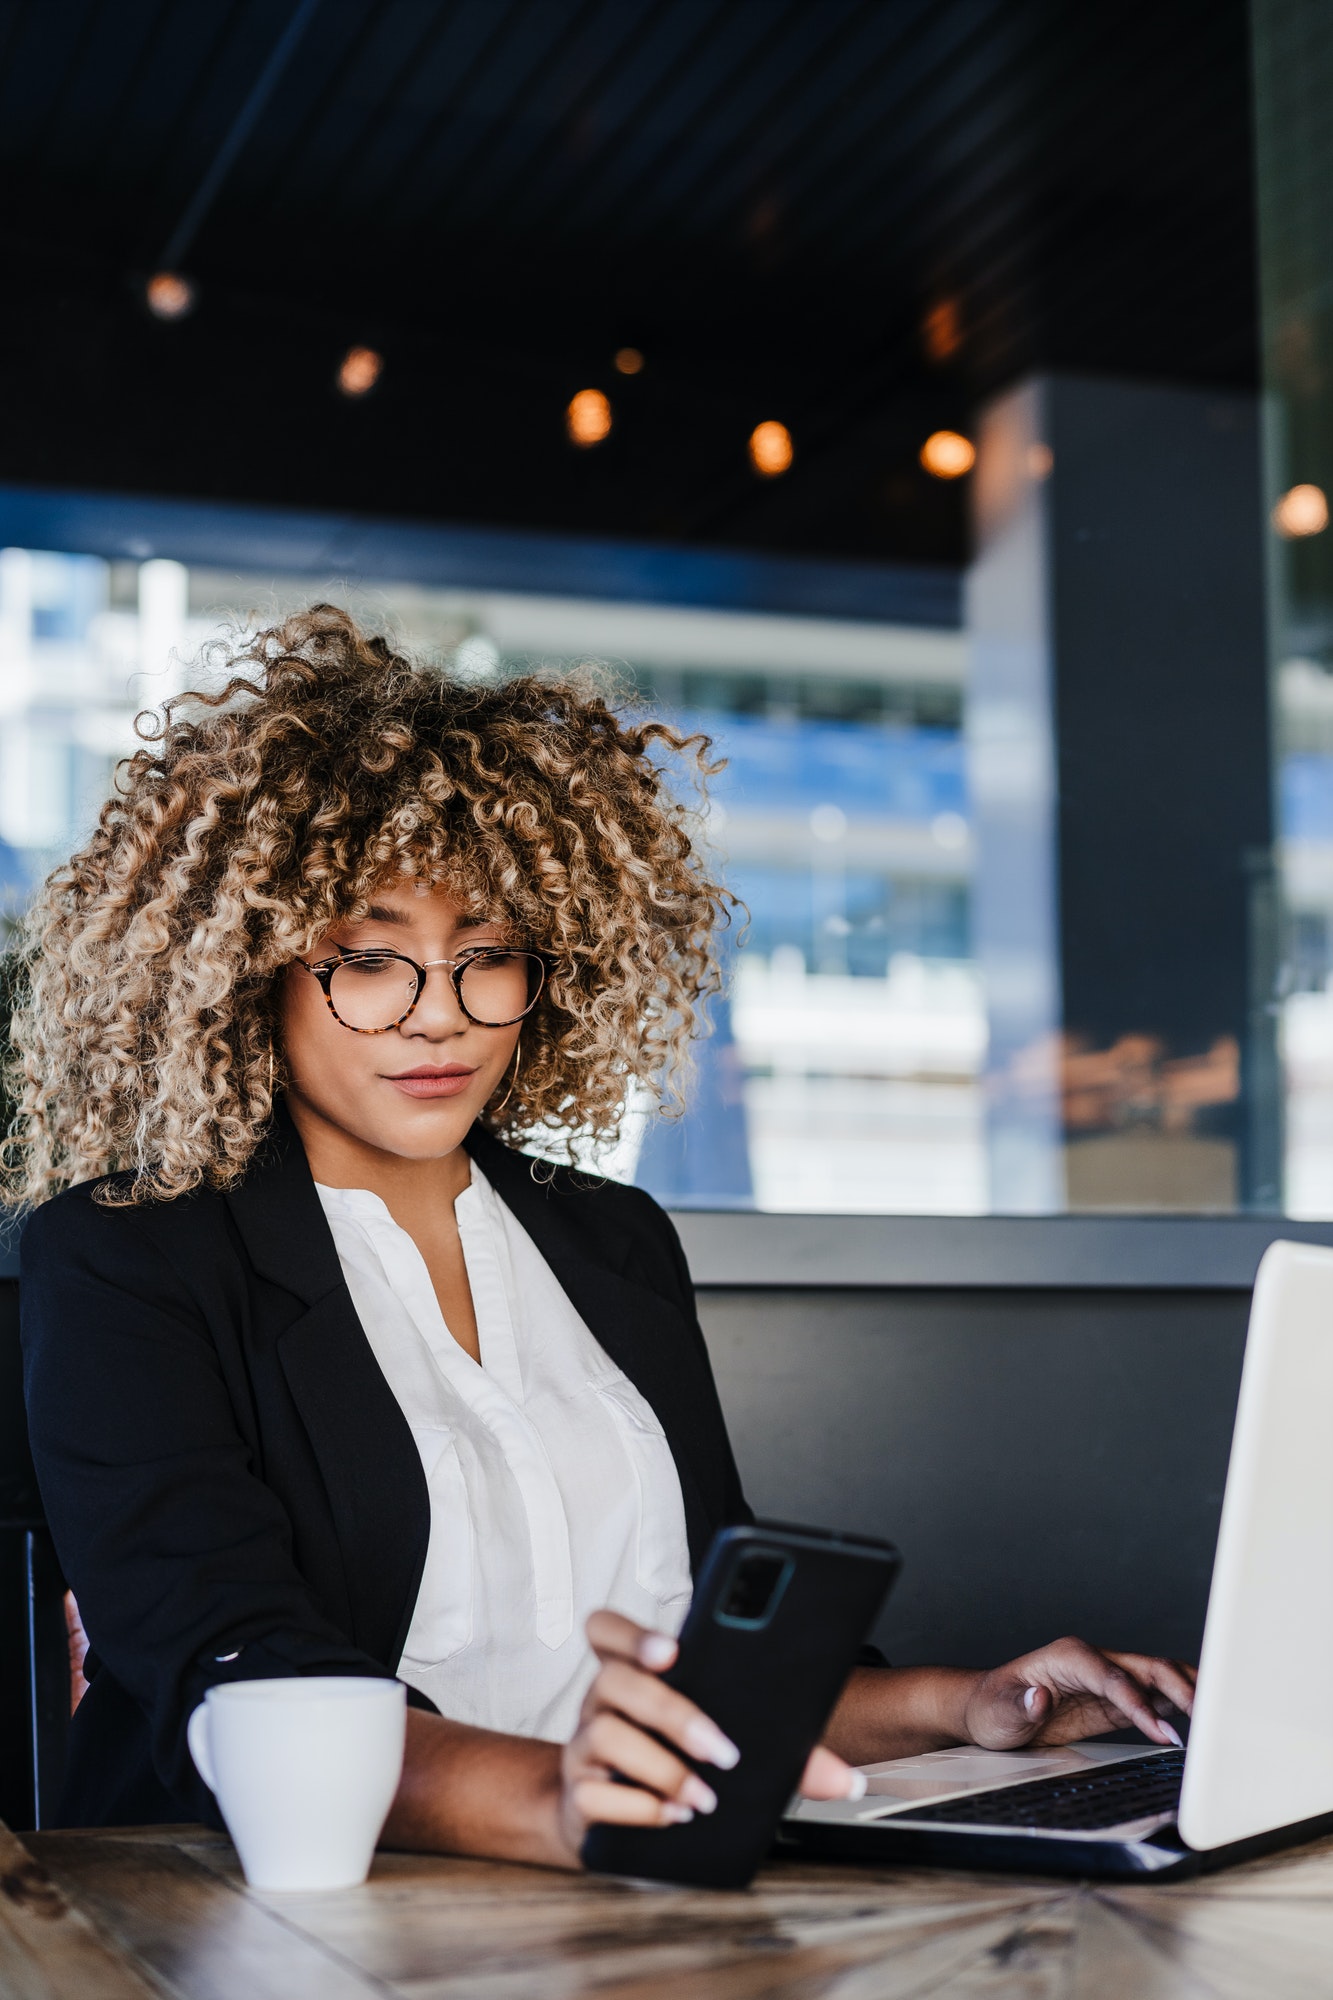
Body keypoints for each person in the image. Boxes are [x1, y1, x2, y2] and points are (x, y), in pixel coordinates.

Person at [10, 607, 1194, 1867]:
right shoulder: (130, 1255)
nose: (441, 1019)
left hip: (620, 1884)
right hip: (265, 1908)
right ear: (250, 967)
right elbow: (233, 1666)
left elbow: (691, 1665)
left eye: (488, 956)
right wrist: (559, 1795)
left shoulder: (610, 1242)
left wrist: (967, 1706)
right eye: (370, 959)